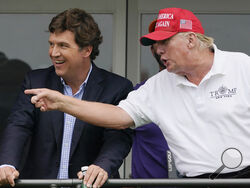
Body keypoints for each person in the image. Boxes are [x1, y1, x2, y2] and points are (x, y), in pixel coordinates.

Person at [25, 7, 250, 184]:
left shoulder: (242, 66)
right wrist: (63, 102)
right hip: (194, 182)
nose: (157, 49)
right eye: (154, 43)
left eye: (164, 41)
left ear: (191, 40)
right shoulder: (157, 86)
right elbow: (118, 116)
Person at [0, 8, 133, 188]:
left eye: (63, 45)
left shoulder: (117, 87)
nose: (54, 53)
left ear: (86, 50)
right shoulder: (35, 80)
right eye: (51, 44)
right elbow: (18, 125)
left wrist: (102, 166)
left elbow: (118, 137)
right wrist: (7, 164)